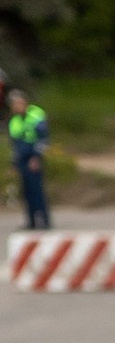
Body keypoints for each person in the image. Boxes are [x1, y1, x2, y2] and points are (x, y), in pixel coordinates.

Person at [9, 75, 53, 229]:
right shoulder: (14, 121)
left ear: (24, 102)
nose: (17, 106)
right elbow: (14, 144)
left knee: (37, 191)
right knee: (26, 192)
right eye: (14, 104)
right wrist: (13, 163)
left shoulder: (36, 115)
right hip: (22, 158)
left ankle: (45, 222)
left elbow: (44, 139)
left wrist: (36, 157)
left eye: (19, 102)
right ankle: (32, 222)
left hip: (34, 157)